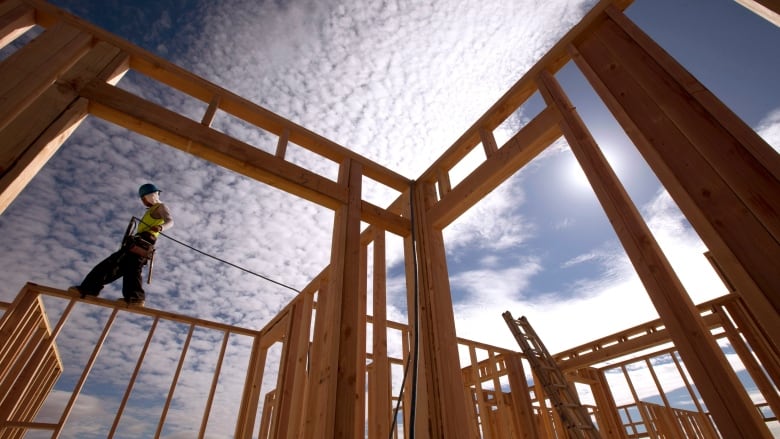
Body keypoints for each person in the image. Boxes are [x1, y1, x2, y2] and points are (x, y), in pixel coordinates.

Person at [69, 183, 174, 307]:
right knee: (130, 270)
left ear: (149, 196)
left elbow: (170, 221)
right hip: (139, 243)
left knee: (111, 264)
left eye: (143, 198)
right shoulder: (150, 211)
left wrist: (160, 227)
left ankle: (89, 289)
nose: (143, 201)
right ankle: (134, 298)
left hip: (142, 243)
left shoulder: (160, 207)